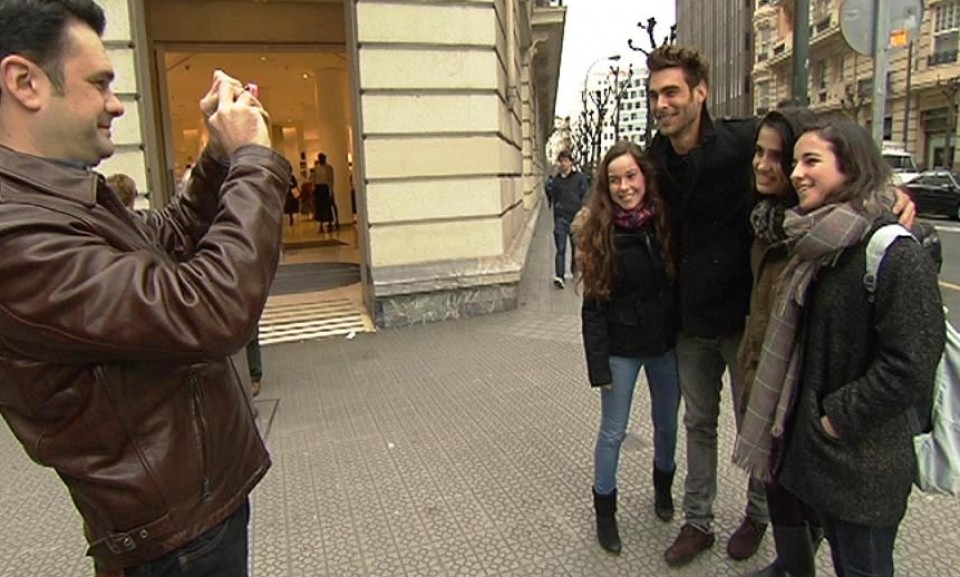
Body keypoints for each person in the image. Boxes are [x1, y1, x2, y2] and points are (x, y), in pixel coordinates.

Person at [0, 1, 290, 575]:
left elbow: (169, 238)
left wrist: (218, 158)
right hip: (173, 543)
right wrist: (255, 158)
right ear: (24, 82)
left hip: (190, 516)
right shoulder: (18, 234)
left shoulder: (57, 200)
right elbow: (209, 311)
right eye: (99, 83)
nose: (115, 104)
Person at [751, 115, 944, 577]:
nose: (796, 173)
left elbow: (912, 363)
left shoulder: (893, 250)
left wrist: (835, 419)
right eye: (795, 162)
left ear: (851, 167)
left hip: (865, 465)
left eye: (811, 161)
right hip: (829, 460)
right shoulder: (820, 242)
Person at [644, 45, 771, 566]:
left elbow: (818, 141)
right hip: (690, 323)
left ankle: (759, 514)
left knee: (753, 424)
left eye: (671, 91)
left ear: (701, 93)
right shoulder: (655, 159)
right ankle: (698, 522)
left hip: (743, 320)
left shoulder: (744, 141)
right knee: (698, 424)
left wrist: (883, 192)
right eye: (654, 94)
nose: (661, 104)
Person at [577, 141, 681, 555]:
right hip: (620, 349)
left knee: (667, 424)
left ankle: (663, 489)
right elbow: (592, 308)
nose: (624, 187)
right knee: (613, 432)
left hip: (664, 346)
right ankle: (605, 513)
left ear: (644, 177)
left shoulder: (664, 222)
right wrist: (598, 367)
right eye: (614, 180)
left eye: (631, 176)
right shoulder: (600, 232)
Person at [734, 107, 824, 577]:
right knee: (777, 486)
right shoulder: (764, 219)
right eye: (759, 152)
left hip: (800, 393)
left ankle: (796, 565)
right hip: (763, 374)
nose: (763, 164)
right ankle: (791, 564)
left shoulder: (817, 229)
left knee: (798, 494)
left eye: (778, 156)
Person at [545, 149, 588, 289]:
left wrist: (583, 212)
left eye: (565, 160)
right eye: (561, 161)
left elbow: (585, 195)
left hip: (576, 219)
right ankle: (560, 276)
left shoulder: (579, 178)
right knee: (560, 248)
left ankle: (575, 273)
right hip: (561, 219)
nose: (563, 163)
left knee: (576, 248)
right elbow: (552, 196)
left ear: (571, 162)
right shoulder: (556, 181)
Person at [312, 152, 335, 232]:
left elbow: (331, 180)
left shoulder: (328, 168)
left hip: (325, 188)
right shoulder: (316, 168)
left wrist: (331, 191)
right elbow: (314, 179)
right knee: (319, 208)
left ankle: (329, 223)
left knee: (327, 207)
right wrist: (313, 189)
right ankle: (321, 225)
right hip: (318, 189)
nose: (321, 159)